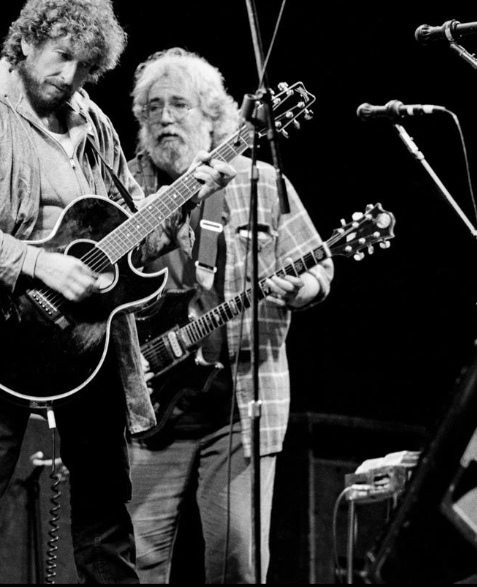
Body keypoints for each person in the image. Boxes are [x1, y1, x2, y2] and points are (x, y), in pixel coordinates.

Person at [0, 0, 235, 584]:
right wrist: (43, 266)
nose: (69, 77)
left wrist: (188, 196)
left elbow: (134, 235)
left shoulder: (95, 124)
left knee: (105, 500)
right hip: (4, 325)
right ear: (26, 42)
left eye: (85, 66)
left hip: (90, 339)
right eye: (61, 56)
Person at [125, 48, 334, 583]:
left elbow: (318, 263)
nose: (165, 118)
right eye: (153, 108)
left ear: (213, 114)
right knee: (135, 563)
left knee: (238, 562)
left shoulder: (260, 181)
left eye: (179, 105)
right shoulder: (125, 189)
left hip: (241, 401)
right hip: (148, 404)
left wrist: (302, 289)